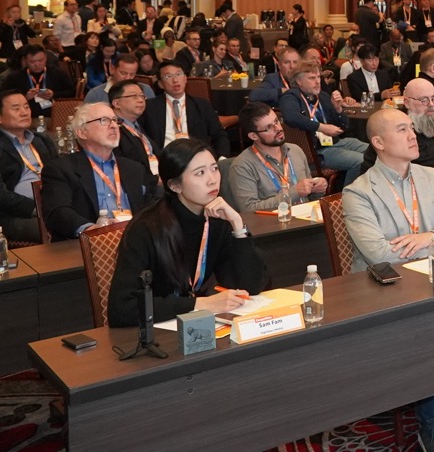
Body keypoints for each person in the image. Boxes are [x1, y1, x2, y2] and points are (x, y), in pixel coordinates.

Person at [343, 107, 434, 451]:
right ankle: (430, 420)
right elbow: (381, 255)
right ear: (378, 142)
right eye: (401, 129)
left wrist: (429, 237)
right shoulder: (359, 192)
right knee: (426, 325)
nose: (412, 134)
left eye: (411, 128)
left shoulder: (431, 176)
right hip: (385, 289)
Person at [106, 138, 267, 326]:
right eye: (200, 173)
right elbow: (121, 309)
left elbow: (249, 287)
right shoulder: (146, 228)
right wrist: (197, 304)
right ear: (175, 186)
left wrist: (238, 226)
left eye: (214, 168)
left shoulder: (217, 219)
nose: (212, 179)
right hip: (153, 333)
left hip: (196, 326)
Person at [41, 102, 158, 240]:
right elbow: (58, 213)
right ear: (82, 132)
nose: (114, 126)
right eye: (104, 121)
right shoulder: (61, 169)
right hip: (86, 246)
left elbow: (151, 207)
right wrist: (92, 232)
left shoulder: (133, 168)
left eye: (115, 120)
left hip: (133, 241)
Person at [226, 102, 327, 216]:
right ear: (253, 136)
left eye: (276, 121)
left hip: (308, 218)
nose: (278, 128)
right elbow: (249, 210)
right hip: (274, 227)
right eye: (269, 128)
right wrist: (294, 192)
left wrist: (317, 188)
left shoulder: (295, 151)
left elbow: (309, 196)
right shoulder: (242, 166)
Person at [279, 62, 367, 188]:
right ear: (299, 81)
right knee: (360, 161)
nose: (317, 82)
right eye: (311, 78)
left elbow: (344, 127)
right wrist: (321, 127)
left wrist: (338, 110)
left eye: (318, 77)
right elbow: (291, 117)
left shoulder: (323, 97)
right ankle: (347, 197)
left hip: (334, 143)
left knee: (372, 151)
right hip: (315, 151)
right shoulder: (291, 97)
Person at [141, 61, 231, 157]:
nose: (175, 80)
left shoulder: (202, 105)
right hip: (164, 158)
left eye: (178, 74)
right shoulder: (149, 107)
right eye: (168, 76)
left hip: (196, 157)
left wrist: (222, 158)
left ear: (185, 78)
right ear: (160, 84)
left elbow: (219, 135)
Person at [0, 89, 55, 244]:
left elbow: (61, 174)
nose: (24, 112)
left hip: (51, 205)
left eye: (26, 107)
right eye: (16, 109)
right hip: (16, 215)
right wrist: (37, 208)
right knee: (57, 228)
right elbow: (1, 196)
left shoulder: (42, 140)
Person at [1, 45, 75, 118]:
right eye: (32, 62)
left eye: (40, 60)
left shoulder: (58, 73)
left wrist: (54, 94)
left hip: (54, 114)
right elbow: (4, 96)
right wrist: (24, 97)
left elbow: (72, 92)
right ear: (25, 60)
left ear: (45, 58)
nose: (37, 64)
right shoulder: (15, 77)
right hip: (26, 116)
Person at [84, 52, 154, 104]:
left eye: (132, 74)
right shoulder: (96, 94)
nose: (127, 78)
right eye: (123, 73)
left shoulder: (146, 90)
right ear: (112, 69)